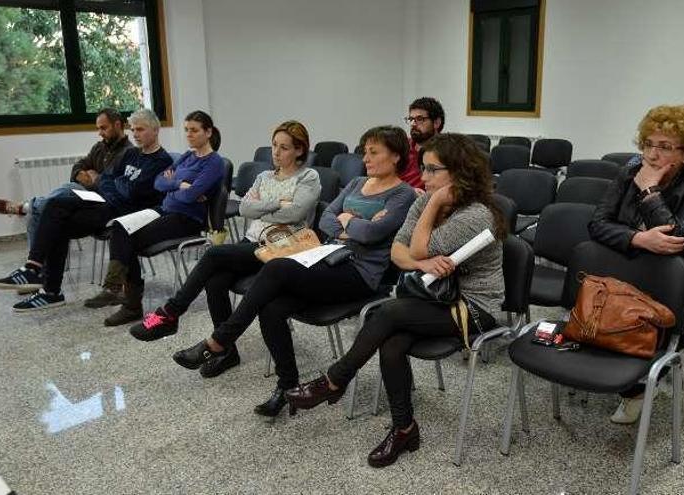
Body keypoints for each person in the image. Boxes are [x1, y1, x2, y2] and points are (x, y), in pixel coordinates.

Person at [285, 133, 506, 468]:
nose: (425, 178)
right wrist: (420, 262)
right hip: (432, 298)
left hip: (473, 307)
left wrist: (430, 208)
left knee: (388, 313)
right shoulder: (424, 200)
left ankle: (335, 379)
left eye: (434, 170)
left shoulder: (475, 215)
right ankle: (405, 429)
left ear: (459, 172)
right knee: (392, 345)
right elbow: (399, 252)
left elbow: (416, 247)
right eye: (424, 169)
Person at [169, 125, 416, 417]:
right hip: (327, 258)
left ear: (396, 157)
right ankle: (287, 387)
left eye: (374, 153)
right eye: (365, 151)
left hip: (361, 274)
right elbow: (325, 221)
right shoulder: (356, 183)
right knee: (272, 307)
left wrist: (348, 221)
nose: (366, 158)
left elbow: (375, 233)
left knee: (277, 267)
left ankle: (220, 340)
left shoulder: (403, 194)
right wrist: (354, 224)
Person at [587, 104, 684, 424]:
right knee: (595, 315)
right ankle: (628, 382)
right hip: (633, 274)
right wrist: (638, 240)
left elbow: (676, 238)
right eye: (648, 144)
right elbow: (597, 223)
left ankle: (636, 387)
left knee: (633, 328)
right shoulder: (630, 171)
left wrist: (650, 191)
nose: (652, 155)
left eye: (664, 147)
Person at [127, 120, 320, 339]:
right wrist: (278, 204)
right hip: (253, 243)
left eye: (284, 148)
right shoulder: (264, 177)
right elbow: (245, 209)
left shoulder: (308, 177)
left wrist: (261, 208)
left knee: (213, 253)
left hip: (283, 247)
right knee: (215, 280)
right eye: (274, 145)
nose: (276, 152)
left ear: (299, 149)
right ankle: (226, 352)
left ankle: (171, 312)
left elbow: (294, 214)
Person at [0, 108, 173, 311]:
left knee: (60, 216)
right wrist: (112, 183)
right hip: (105, 202)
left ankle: (45, 283)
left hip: (125, 212)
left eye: (141, 129)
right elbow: (106, 180)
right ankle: (38, 275)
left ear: (156, 130)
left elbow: (133, 192)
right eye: (134, 129)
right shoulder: (131, 154)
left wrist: (113, 183)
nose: (136, 134)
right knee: (55, 207)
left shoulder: (162, 161)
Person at [86, 110, 227, 326]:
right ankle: (116, 289)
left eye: (195, 130)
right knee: (120, 228)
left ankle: (130, 304)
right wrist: (178, 184)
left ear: (208, 132)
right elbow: (159, 182)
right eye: (187, 130)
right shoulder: (189, 156)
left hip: (186, 218)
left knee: (128, 242)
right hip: (164, 209)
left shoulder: (214, 162)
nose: (189, 135)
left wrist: (177, 186)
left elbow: (190, 197)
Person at [0, 108, 134, 249]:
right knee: (38, 214)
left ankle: (26, 207)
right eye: (98, 128)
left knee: (63, 194)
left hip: (101, 202)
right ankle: (35, 267)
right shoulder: (99, 147)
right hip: (83, 193)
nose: (99, 133)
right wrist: (80, 174)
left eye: (104, 128)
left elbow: (111, 185)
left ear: (117, 125)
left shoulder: (129, 153)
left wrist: (94, 180)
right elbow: (80, 164)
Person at [401, 97, 445, 190]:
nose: (413, 124)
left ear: (437, 123)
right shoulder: (401, 145)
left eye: (419, 119)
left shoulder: (446, 152)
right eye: (411, 119)